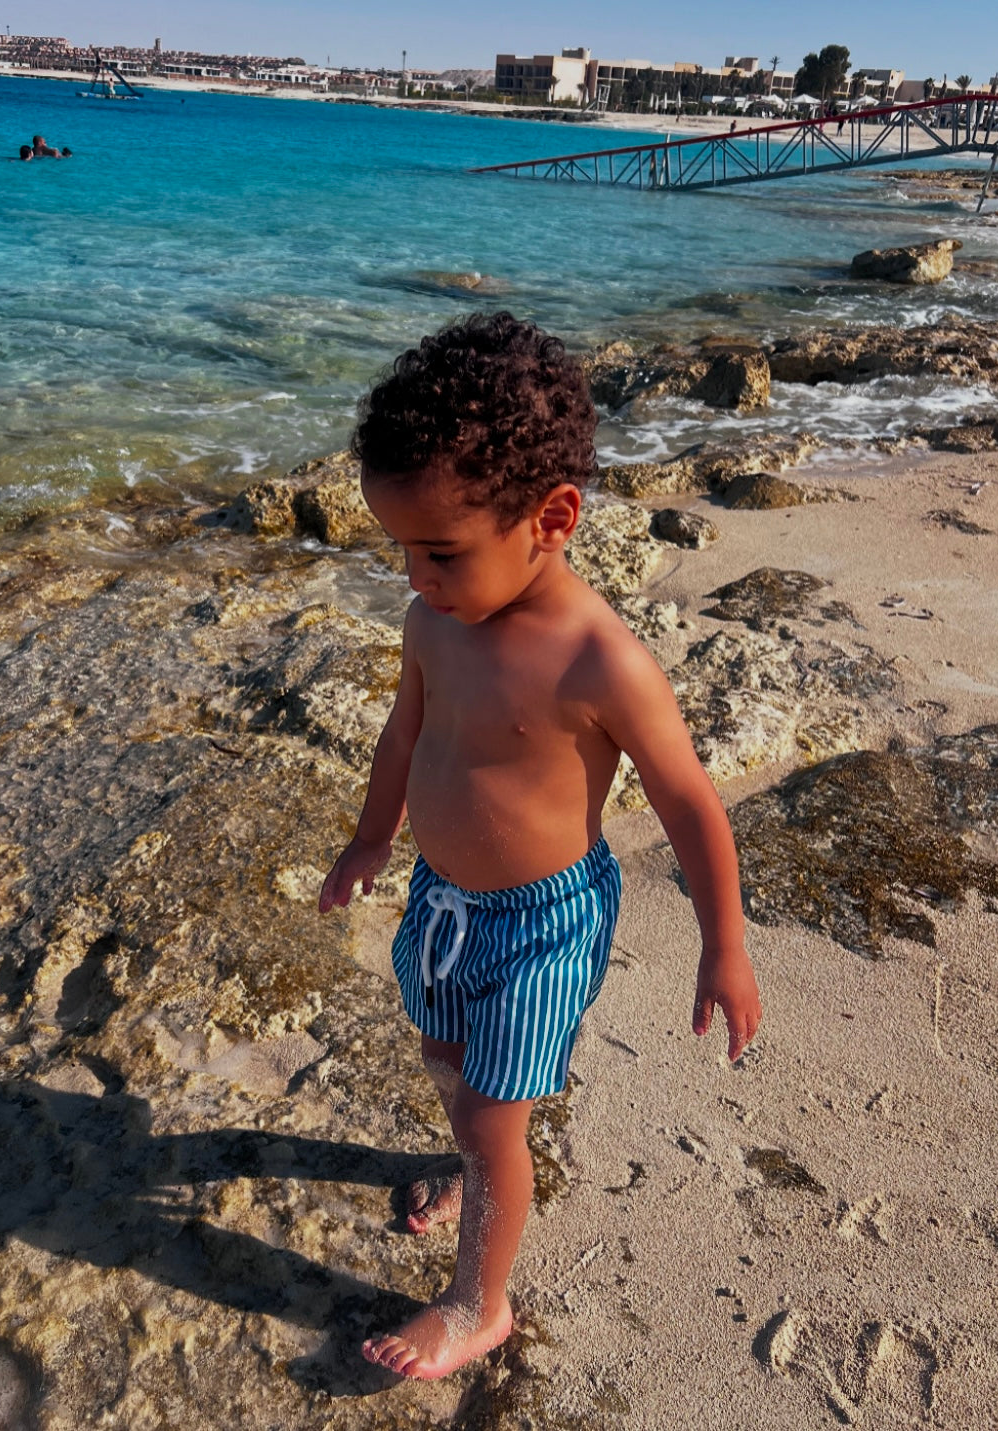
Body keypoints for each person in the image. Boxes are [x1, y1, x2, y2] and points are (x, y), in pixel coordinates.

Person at [319, 312, 762, 1380]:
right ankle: (480, 1163)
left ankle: (481, 1303)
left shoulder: (600, 662)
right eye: (401, 549)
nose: (415, 576)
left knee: (486, 1111)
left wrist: (725, 944)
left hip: (541, 924)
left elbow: (690, 804)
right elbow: (405, 733)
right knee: (445, 1061)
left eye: (439, 550)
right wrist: (371, 837)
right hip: (441, 903)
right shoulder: (434, 623)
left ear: (551, 518)